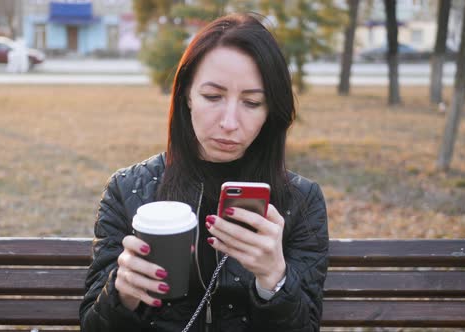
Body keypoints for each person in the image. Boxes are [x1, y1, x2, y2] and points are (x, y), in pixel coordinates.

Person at [79, 13, 329, 332]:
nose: (228, 122)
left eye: (252, 103)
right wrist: (122, 293)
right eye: (212, 97)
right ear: (187, 95)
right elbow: (93, 325)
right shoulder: (128, 189)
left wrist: (274, 280)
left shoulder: (301, 201)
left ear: (271, 111)